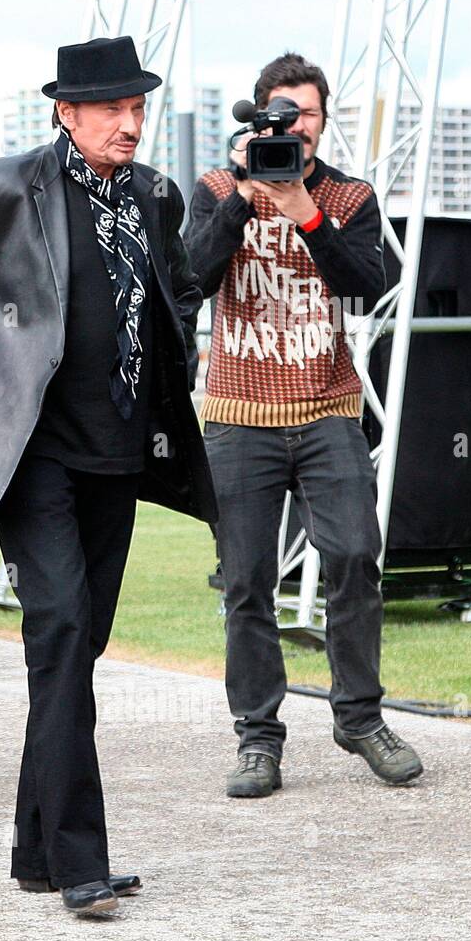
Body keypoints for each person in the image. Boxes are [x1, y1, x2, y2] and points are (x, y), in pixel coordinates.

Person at [0, 38, 215, 916]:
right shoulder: (2, 186)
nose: (130, 124)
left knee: (73, 649)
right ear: (66, 112)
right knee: (63, 633)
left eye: (139, 108)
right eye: (111, 109)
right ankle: (79, 860)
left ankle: (35, 846)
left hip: (120, 455)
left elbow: (178, 293)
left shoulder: (155, 195)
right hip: (34, 456)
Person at [184, 52, 423, 798]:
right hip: (238, 415)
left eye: (309, 114)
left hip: (326, 407)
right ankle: (258, 739)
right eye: (283, 114)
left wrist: (306, 214)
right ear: (260, 117)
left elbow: (368, 281)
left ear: (323, 120)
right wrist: (243, 199)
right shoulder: (218, 187)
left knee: (355, 556)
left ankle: (359, 716)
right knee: (247, 579)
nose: (297, 127)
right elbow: (189, 274)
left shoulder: (349, 195)